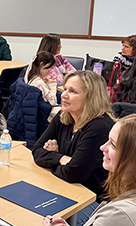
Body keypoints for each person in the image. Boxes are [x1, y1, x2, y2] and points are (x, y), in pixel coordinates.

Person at [32, 70, 114, 202]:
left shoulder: (99, 126)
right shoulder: (63, 116)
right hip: (63, 188)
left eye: (72, 91)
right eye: (65, 89)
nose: (64, 95)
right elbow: (36, 150)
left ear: (90, 97)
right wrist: (62, 158)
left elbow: (74, 173)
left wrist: (50, 158)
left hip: (91, 200)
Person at [24, 51, 60, 121]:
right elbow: (53, 102)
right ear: (42, 64)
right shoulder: (39, 83)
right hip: (44, 113)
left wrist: (45, 84)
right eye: (49, 67)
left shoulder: (30, 77)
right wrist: (52, 85)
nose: (49, 70)